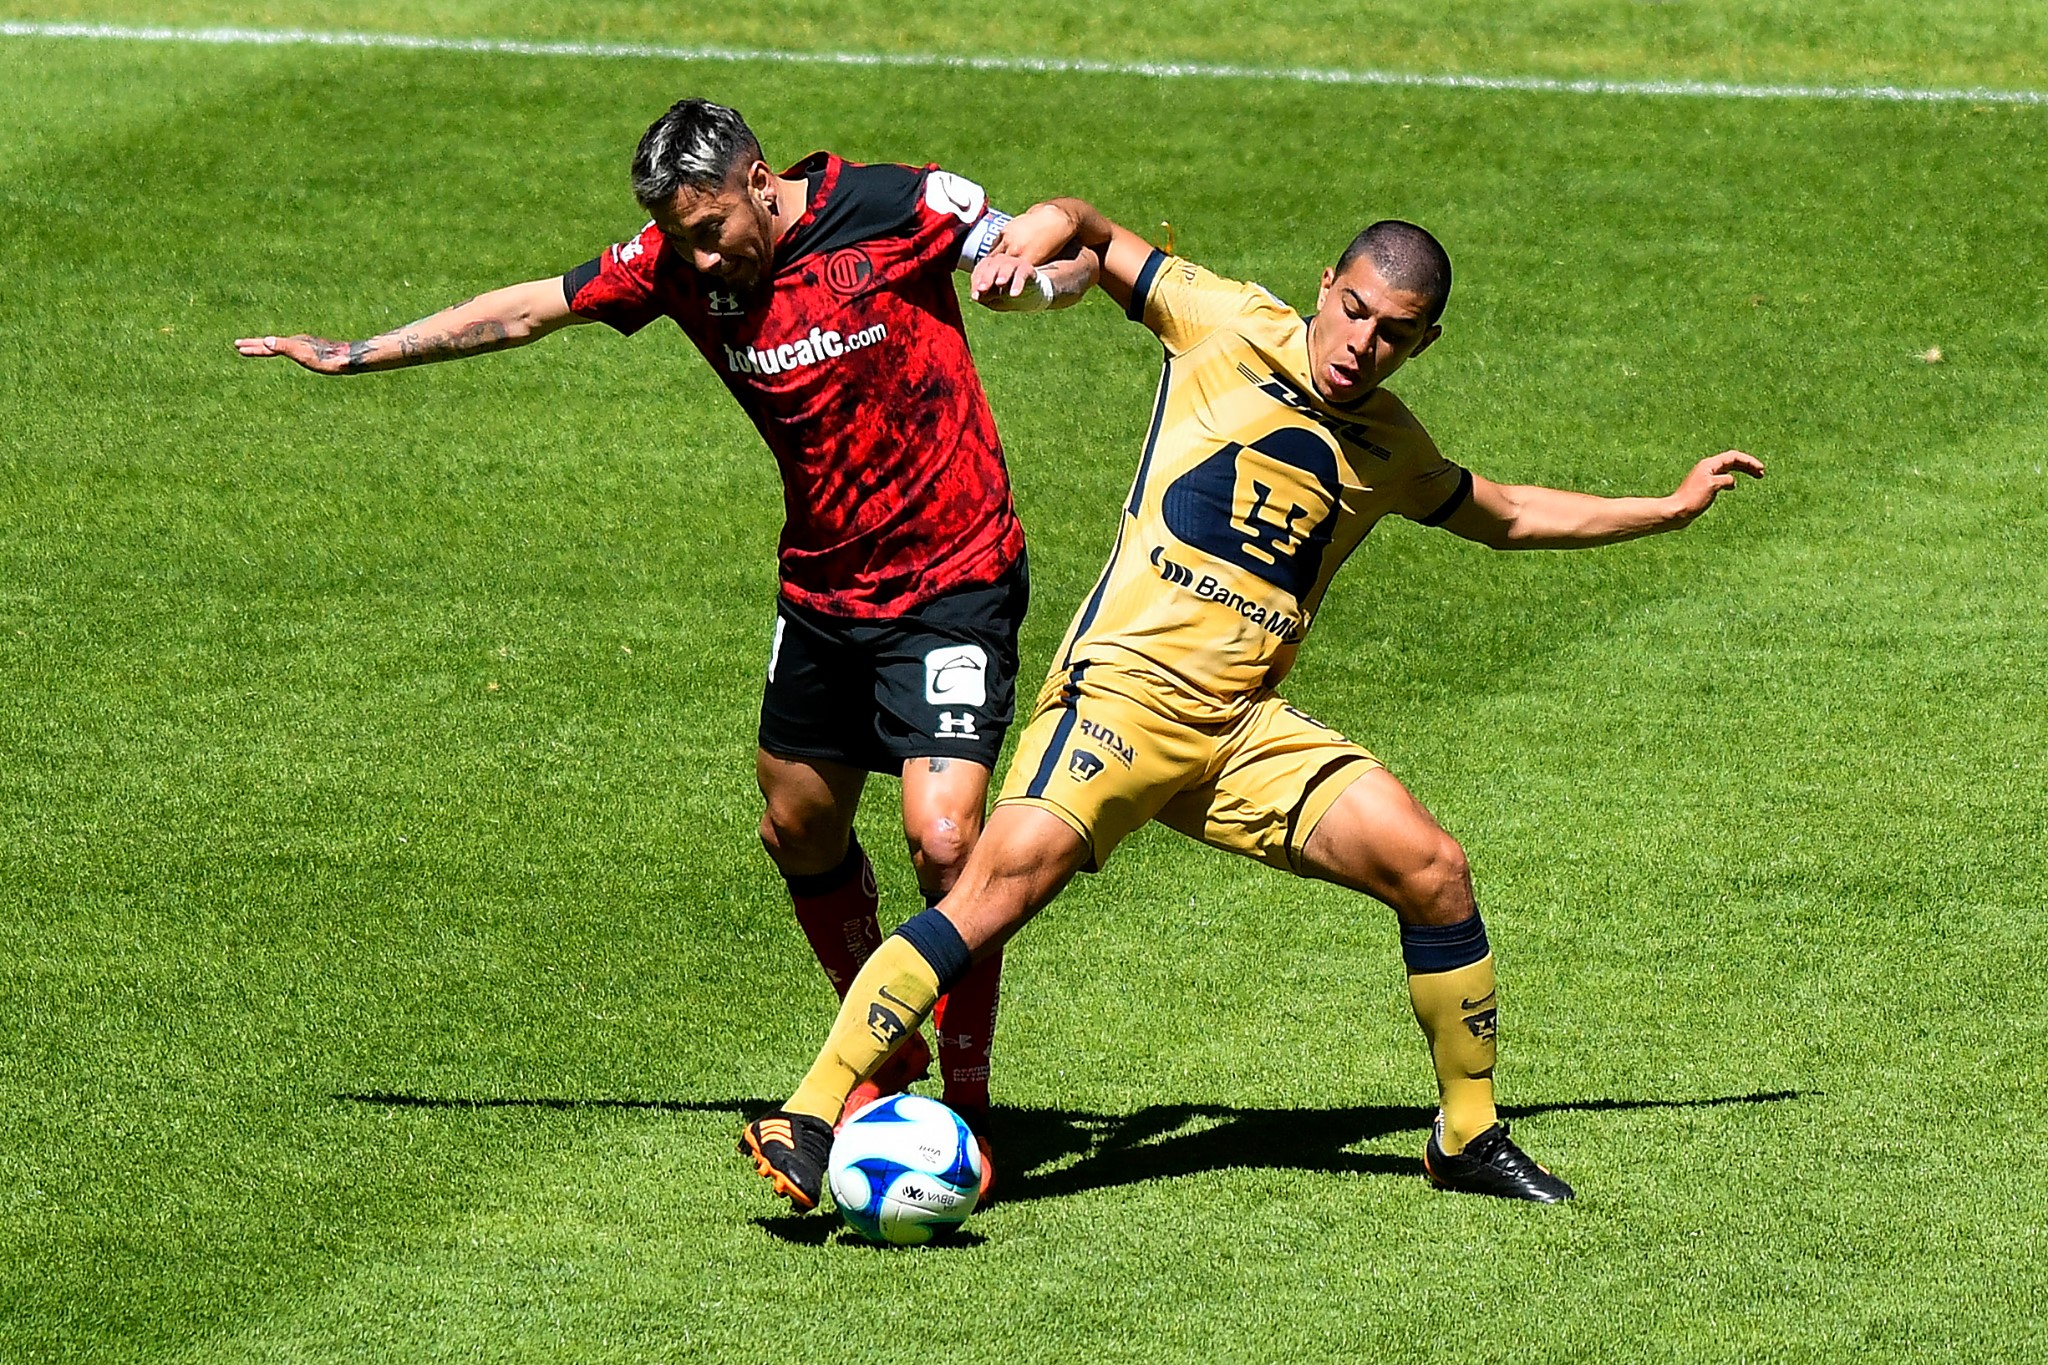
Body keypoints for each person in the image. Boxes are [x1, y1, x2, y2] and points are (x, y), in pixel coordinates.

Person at [740, 198, 1763, 1208]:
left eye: (1394, 334)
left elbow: (1506, 514)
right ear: (1326, 285)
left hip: (1238, 735)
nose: (1361, 345)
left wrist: (1664, 510)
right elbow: (1091, 231)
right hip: (1118, 702)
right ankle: (813, 1109)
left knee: (1432, 869)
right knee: (987, 895)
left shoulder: (1389, 446)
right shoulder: (1222, 319)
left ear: (1424, 342)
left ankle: (1465, 1135)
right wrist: (1027, 244)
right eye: (1354, 311)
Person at [236, 99, 1096, 1197]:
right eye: (677, 237)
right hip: (824, 590)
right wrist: (356, 355)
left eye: (707, 228)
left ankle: (967, 1097)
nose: (694, 257)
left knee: (943, 840)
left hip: (952, 580)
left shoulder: (894, 205)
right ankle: (891, 1050)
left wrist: (1043, 272)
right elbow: (526, 311)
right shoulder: (677, 264)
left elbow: (1041, 258)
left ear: (757, 179)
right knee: (794, 827)